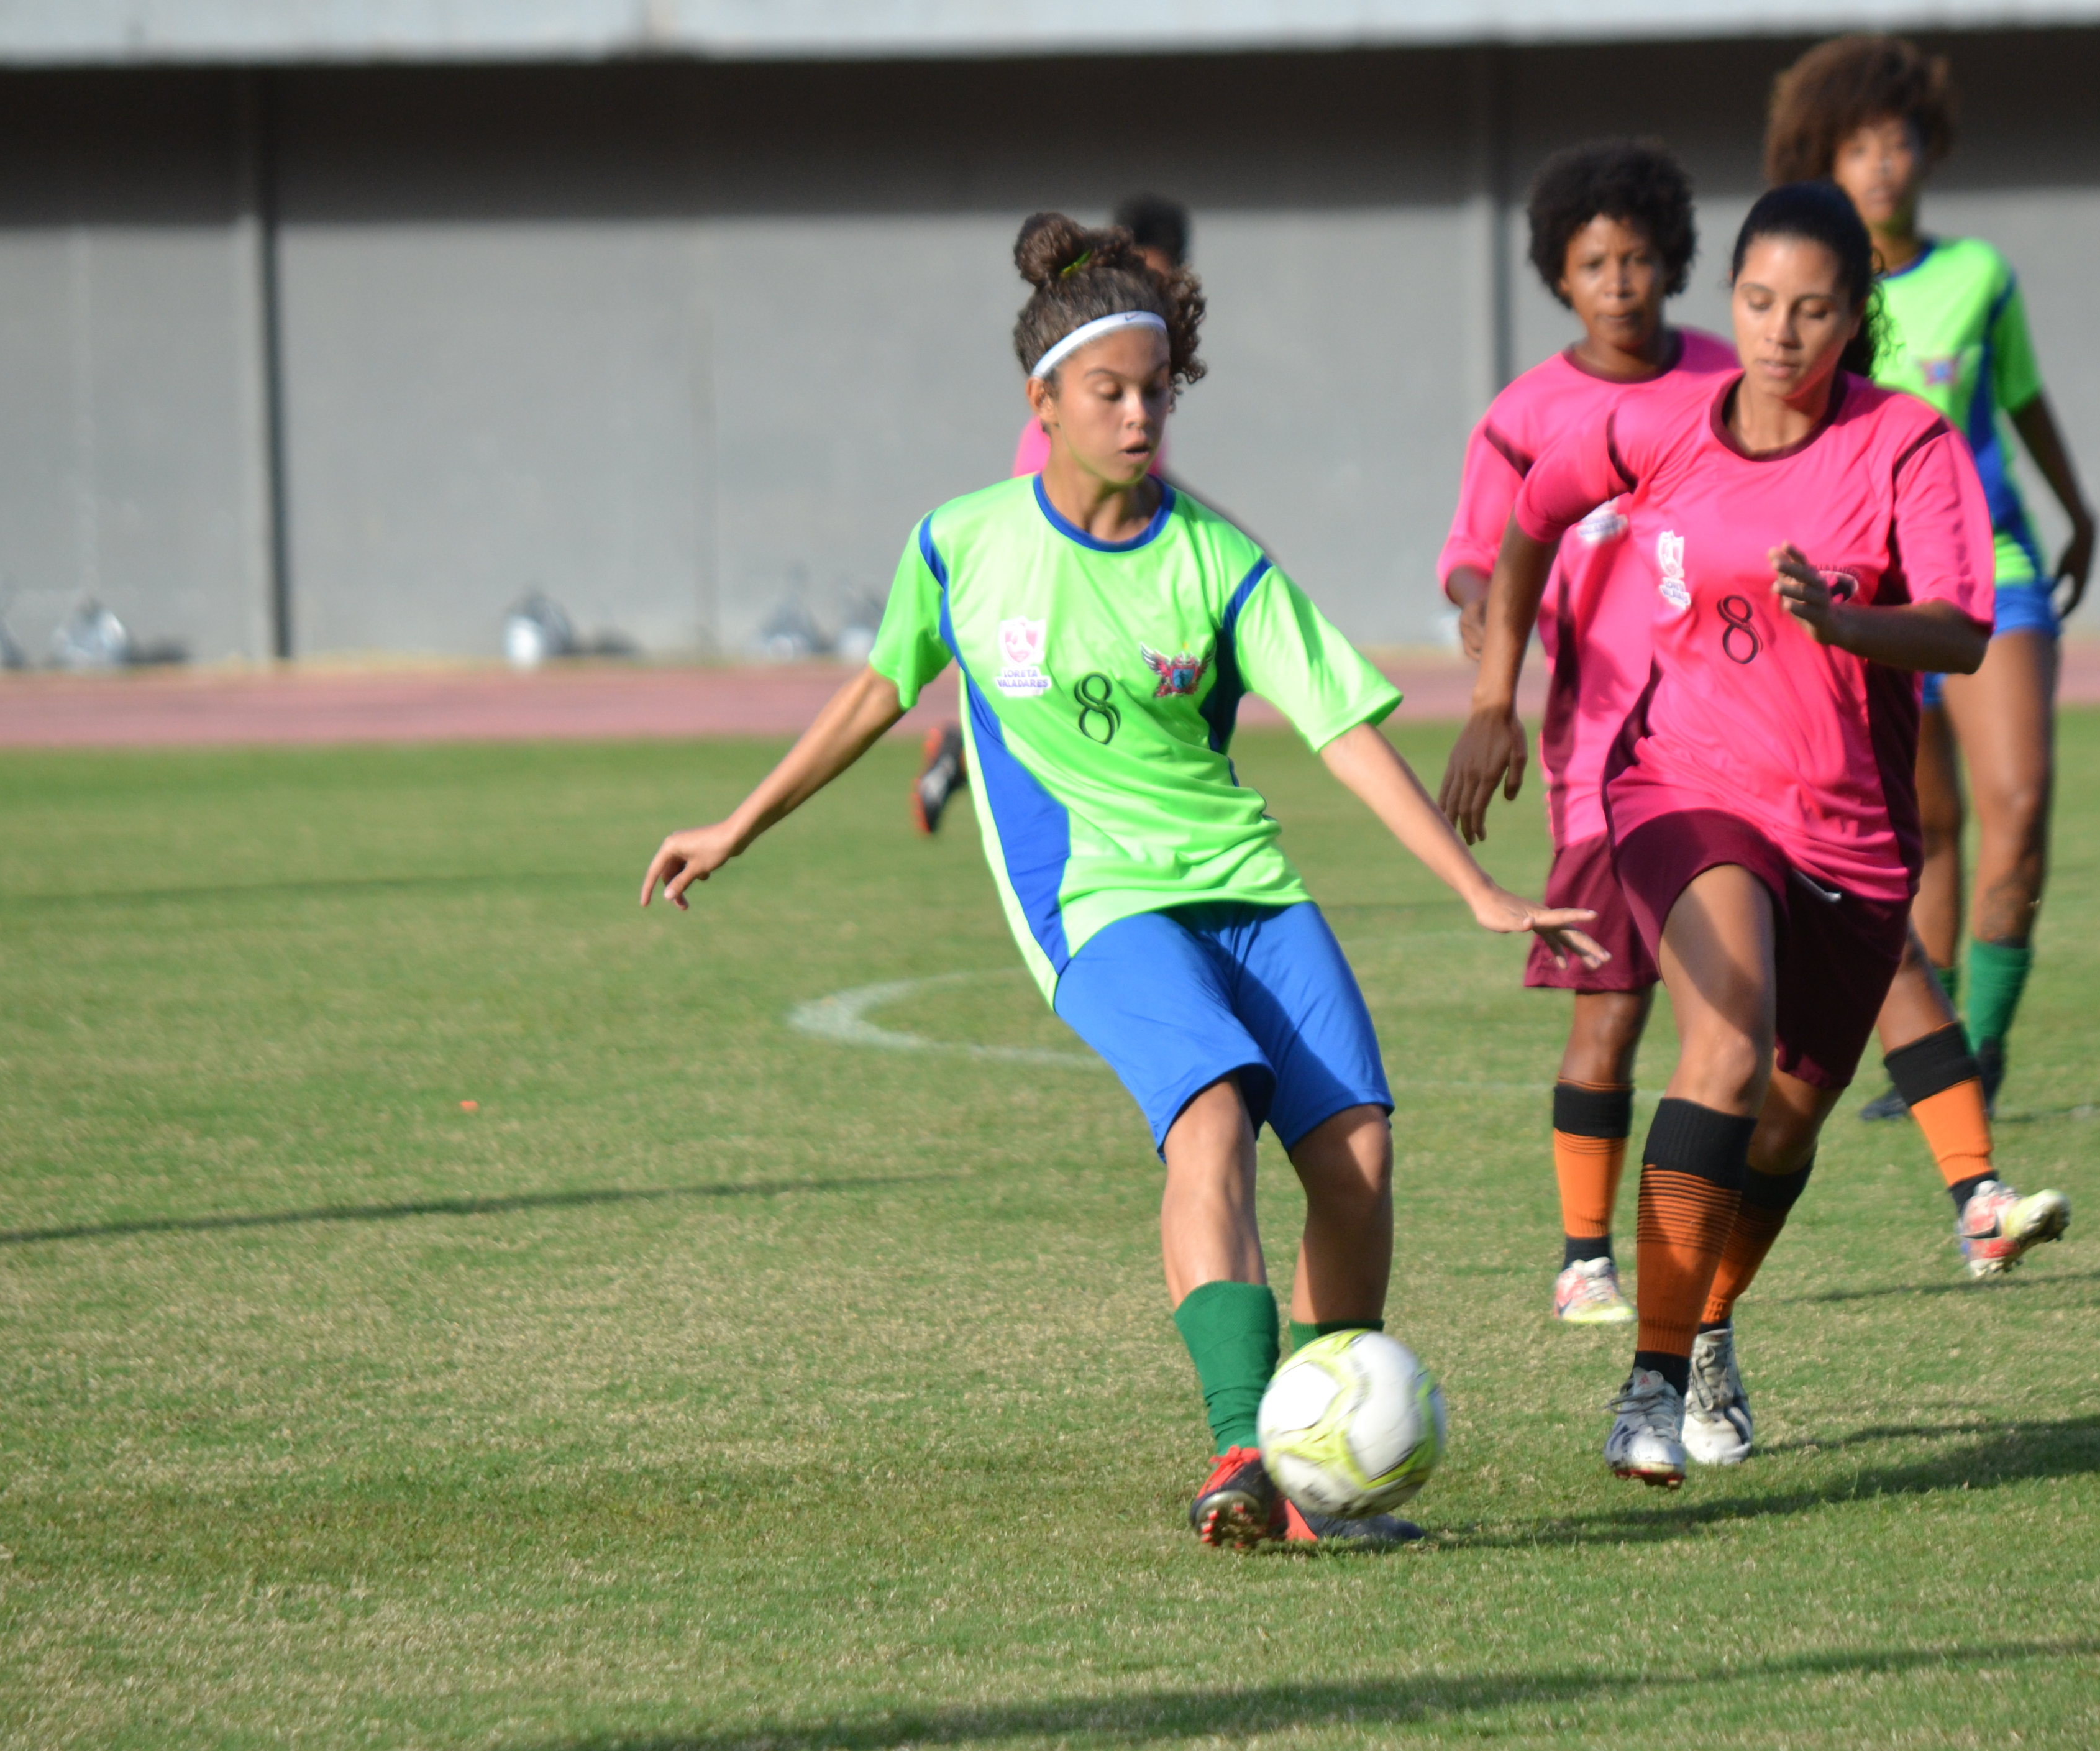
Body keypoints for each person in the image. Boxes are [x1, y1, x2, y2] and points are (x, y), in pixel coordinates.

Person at [648, 211, 1604, 1546]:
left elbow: (1341, 733)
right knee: (1212, 1110)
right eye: (1111, 391)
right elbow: (877, 692)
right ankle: (1242, 1451)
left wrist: (1475, 889)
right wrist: (738, 824)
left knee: (1360, 1154)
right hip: (1095, 900)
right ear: (1042, 402)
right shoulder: (964, 546)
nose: (1142, 414)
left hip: (1244, 881)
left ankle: (1330, 1467)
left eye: (1158, 389)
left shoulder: (1216, 557)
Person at [1484, 182, 2060, 1486]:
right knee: (1726, 1047)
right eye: (1758, 303)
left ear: (1857, 316)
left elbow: (1964, 629)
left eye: (1812, 309)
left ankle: (1706, 1325)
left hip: (1849, 836)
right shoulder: (1658, 423)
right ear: (1730, 302)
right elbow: (1531, 512)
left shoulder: (1906, 444)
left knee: (1787, 1130)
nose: (1781, 333)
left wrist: (1851, 622)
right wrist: (1488, 700)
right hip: (1681, 785)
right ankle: (1645, 1383)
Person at [1764, 36, 2100, 1114]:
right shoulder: (1808, 296)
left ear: (1926, 150)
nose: (1878, 165)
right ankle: (1937, 1057)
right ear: (1823, 157)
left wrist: (2077, 506)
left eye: (1894, 142)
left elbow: (2022, 402)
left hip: (1991, 571)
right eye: (1854, 147)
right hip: (1865, 595)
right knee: (1927, 829)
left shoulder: (1978, 276)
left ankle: (1984, 1053)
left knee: (2018, 800)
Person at [1430, 140, 1732, 1329]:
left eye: (1639, 258)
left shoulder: (1722, 381)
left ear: (1673, 264)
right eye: (1593, 262)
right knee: (1608, 1011)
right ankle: (1582, 1256)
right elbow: (1474, 556)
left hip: (1727, 744)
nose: (1619, 282)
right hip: (1599, 751)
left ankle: (1695, 1255)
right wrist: (1480, 632)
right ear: (1558, 276)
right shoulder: (1528, 413)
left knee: (1732, 1016)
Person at [914, 193, 1197, 836]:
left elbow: (1151, 475)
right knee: (1042, 669)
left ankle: (961, 749)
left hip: (1106, 519)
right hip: (1064, 517)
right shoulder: (1104, 333)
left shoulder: (1146, 350)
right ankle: (977, 753)